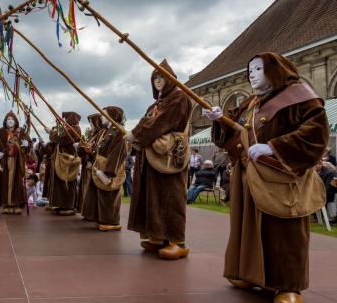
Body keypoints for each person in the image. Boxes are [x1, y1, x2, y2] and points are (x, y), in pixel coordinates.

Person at [205, 52, 328, 303]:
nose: (251, 74)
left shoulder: (299, 97)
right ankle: (251, 274)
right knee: (249, 226)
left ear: (275, 70)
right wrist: (219, 120)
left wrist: (274, 147)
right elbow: (232, 126)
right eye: (249, 69)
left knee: (283, 232)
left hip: (281, 177)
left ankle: (288, 285)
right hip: (249, 174)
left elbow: (316, 132)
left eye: (258, 69)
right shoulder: (252, 102)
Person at [127, 59, 192, 260]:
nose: (158, 80)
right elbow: (149, 121)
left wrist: (136, 134)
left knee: (170, 196)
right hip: (152, 156)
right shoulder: (156, 104)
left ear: (171, 78)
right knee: (153, 196)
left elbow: (160, 123)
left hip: (169, 156)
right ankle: (157, 235)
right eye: (155, 77)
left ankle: (176, 241)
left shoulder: (179, 98)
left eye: (162, 76)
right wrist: (137, 136)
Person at [82, 106, 127, 231]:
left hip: (109, 168)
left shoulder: (118, 131)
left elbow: (117, 153)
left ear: (112, 117)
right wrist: (91, 150)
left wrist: (108, 172)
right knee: (99, 195)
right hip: (99, 166)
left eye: (104, 114)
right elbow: (100, 148)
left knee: (108, 196)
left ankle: (111, 221)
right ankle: (100, 218)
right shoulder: (105, 131)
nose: (101, 117)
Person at [45, 112, 82, 216]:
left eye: (66, 119)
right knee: (60, 183)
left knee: (67, 182)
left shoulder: (75, 129)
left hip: (67, 160)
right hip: (61, 159)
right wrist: (55, 130)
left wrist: (51, 132)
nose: (64, 121)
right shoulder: (68, 128)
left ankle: (68, 205)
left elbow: (60, 139)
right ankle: (60, 204)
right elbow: (59, 135)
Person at [0, 111, 31, 215]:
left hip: (17, 161)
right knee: (5, 182)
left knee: (17, 183)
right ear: (5, 121)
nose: (10, 121)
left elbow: (28, 144)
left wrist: (27, 145)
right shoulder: (1, 132)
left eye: (12, 119)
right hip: (5, 161)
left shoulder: (21, 132)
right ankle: (6, 204)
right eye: (8, 119)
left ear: (15, 121)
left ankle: (16, 204)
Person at [78, 113, 105, 216]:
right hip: (87, 165)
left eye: (92, 122)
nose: (90, 124)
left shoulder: (100, 134)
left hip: (94, 166)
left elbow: (99, 150)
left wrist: (90, 157)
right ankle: (87, 211)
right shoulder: (92, 134)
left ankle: (92, 213)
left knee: (91, 191)